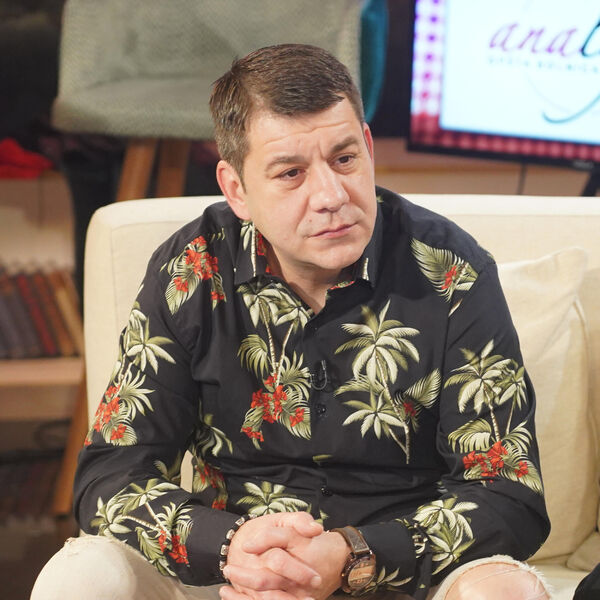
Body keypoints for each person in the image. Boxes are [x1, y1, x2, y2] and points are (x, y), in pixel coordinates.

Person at [32, 44, 551, 600]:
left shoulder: (451, 270)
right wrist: (231, 546)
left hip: (403, 575)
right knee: (79, 579)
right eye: (291, 173)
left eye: (345, 159)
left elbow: (508, 494)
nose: (330, 195)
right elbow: (110, 476)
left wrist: (354, 554)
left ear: (368, 146)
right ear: (236, 189)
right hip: (233, 575)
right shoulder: (192, 269)